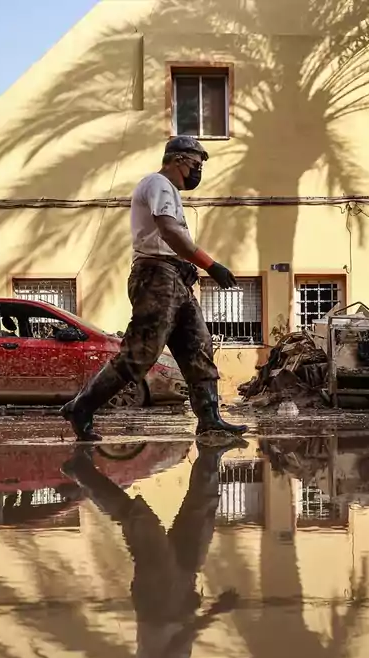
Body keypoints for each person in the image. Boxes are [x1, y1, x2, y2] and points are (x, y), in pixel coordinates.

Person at [61, 136, 248, 442]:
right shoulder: (158, 184)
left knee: (198, 347)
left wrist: (189, 268)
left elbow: (171, 239)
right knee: (142, 352)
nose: (198, 172)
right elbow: (170, 232)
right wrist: (210, 265)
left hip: (175, 278)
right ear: (178, 160)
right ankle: (81, 407)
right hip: (156, 277)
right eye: (196, 165)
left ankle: (210, 419)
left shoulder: (169, 191)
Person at [62, 443, 241, 658]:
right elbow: (175, 641)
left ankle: (80, 471)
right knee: (197, 521)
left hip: (161, 599)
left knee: (140, 521)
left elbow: (175, 647)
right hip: (174, 597)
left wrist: (214, 613)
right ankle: (210, 456)